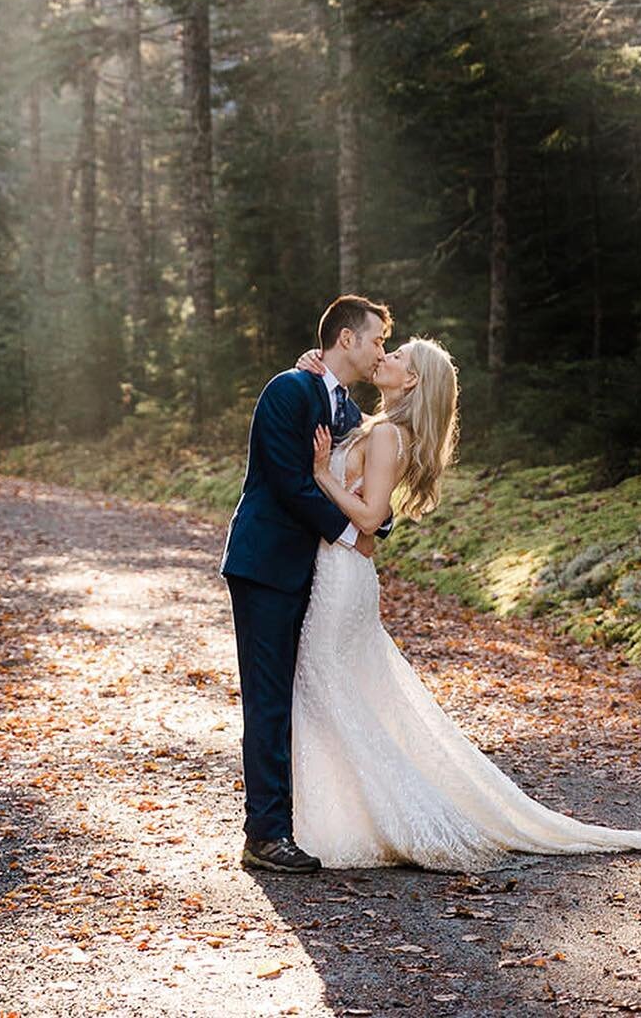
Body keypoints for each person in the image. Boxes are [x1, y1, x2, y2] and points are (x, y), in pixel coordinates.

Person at [288, 336, 641, 870]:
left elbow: (368, 519)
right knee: (340, 694)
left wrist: (319, 475)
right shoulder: (379, 425)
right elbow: (345, 430)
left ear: (411, 382)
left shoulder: (386, 434)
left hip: (342, 581)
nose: (385, 356)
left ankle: (363, 819)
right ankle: (338, 815)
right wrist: (309, 368)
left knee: (327, 688)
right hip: (342, 573)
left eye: (399, 356)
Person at [220, 294, 392, 873]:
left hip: (306, 574)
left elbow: (354, 470)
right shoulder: (287, 391)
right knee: (268, 700)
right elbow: (293, 485)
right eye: (375, 340)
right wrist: (353, 535)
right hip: (265, 566)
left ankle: (295, 820)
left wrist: (375, 519)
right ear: (346, 339)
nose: (379, 353)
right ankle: (265, 834)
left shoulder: (338, 404)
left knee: (297, 698)